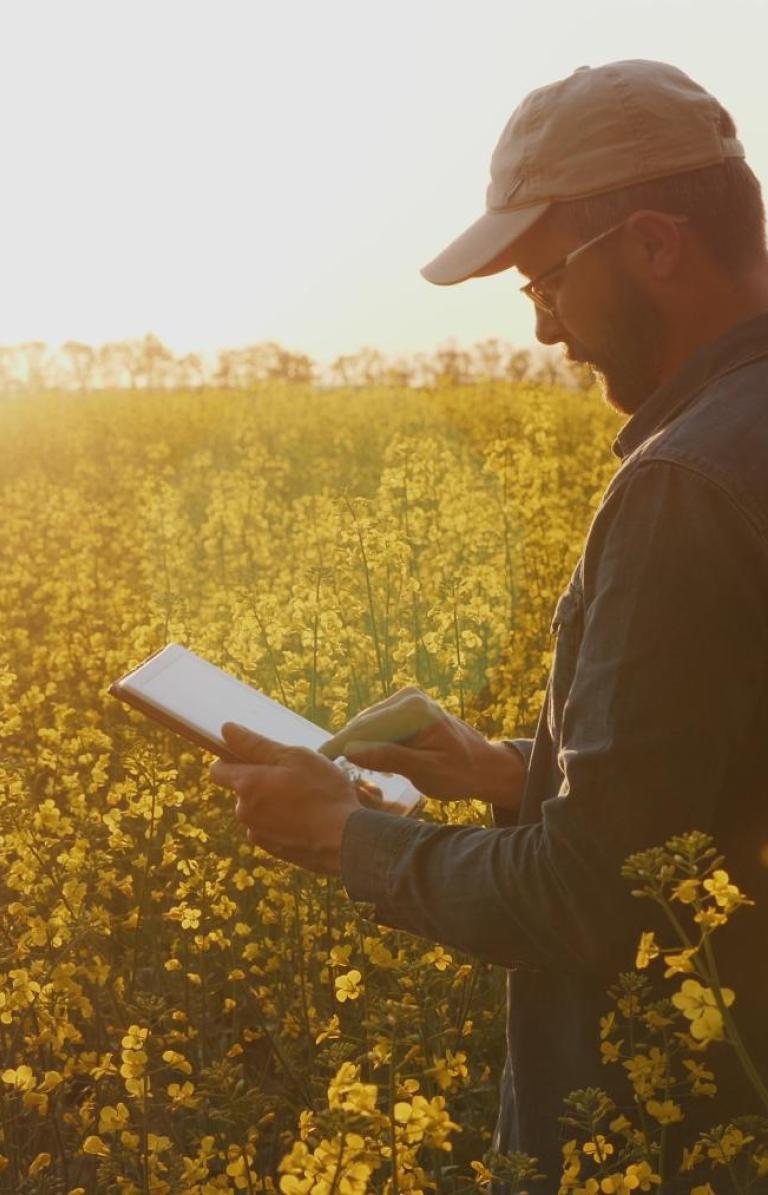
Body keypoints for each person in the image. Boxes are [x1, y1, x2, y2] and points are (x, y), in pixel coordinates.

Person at [210, 59, 768, 1192]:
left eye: (545, 281)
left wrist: (344, 835)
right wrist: (515, 773)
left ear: (657, 246)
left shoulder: (686, 486)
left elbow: (592, 900)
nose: (545, 330)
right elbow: (719, 798)